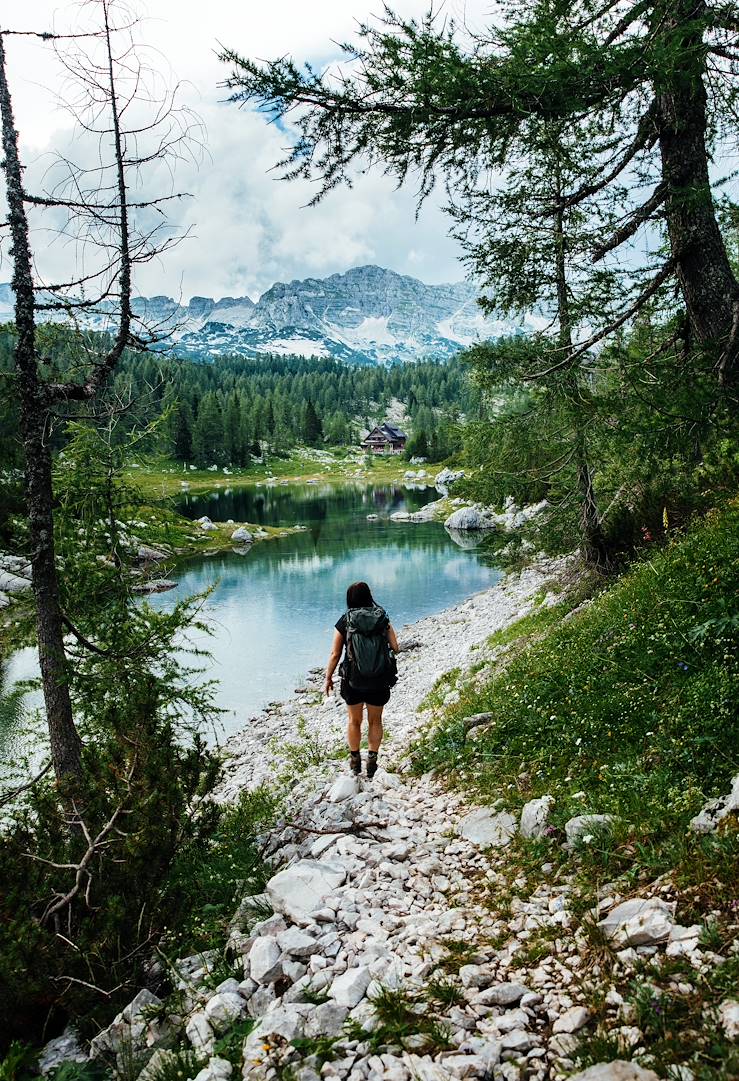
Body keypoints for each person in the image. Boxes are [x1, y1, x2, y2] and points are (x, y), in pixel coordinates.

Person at [324, 581, 399, 778]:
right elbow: (396, 646)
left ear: (350, 599)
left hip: (353, 680)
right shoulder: (382, 617)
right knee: (375, 721)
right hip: (379, 679)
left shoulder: (345, 620)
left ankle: (355, 760)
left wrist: (328, 677)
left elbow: (334, 653)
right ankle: (372, 759)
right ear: (369, 596)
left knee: (354, 720)